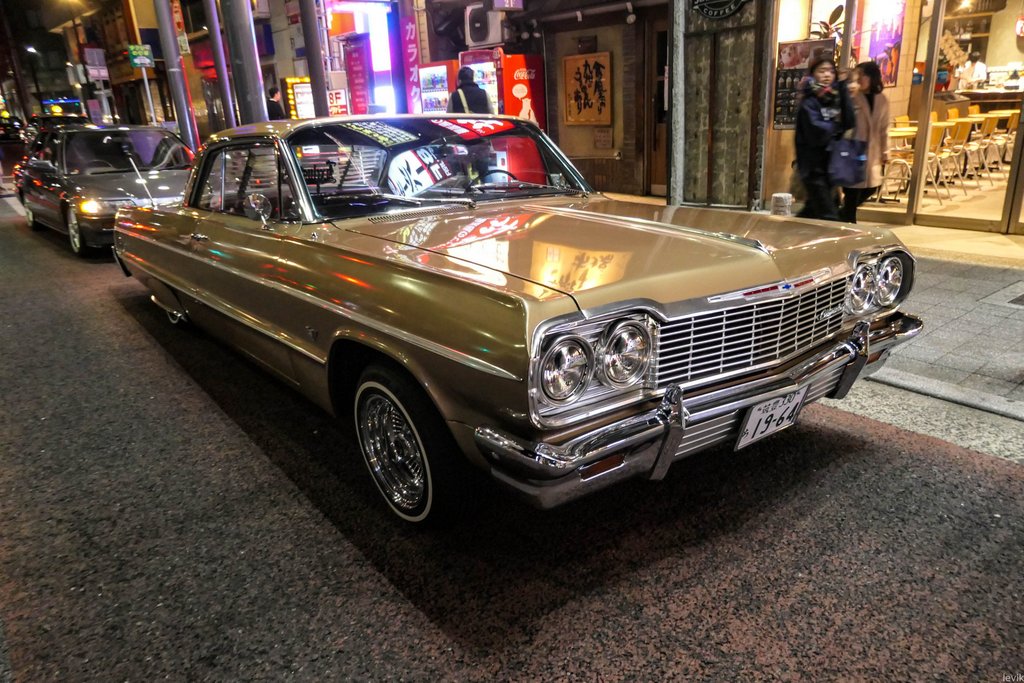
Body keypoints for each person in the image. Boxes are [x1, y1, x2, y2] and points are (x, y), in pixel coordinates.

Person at [795, 56, 855, 221]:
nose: (827, 75)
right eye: (822, 71)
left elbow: (849, 121)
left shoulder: (834, 97)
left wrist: (843, 88)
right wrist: (837, 126)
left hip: (831, 164)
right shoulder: (809, 102)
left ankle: (789, 231)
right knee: (829, 215)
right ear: (813, 74)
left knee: (812, 211)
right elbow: (816, 131)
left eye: (831, 71)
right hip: (813, 168)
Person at [840, 61, 890, 223]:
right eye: (857, 75)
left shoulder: (882, 100)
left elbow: (884, 128)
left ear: (872, 77)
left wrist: (885, 151)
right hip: (852, 150)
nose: (859, 78)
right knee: (852, 193)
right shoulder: (852, 97)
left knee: (873, 187)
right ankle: (847, 221)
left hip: (872, 152)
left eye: (862, 75)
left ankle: (841, 215)